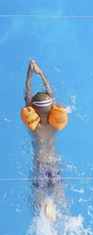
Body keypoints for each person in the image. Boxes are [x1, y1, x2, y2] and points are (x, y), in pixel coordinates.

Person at [23, 60, 66, 220]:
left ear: (34, 110)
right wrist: (41, 73)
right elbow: (51, 94)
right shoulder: (54, 124)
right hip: (54, 164)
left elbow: (27, 97)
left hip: (39, 165)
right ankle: (55, 205)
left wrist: (29, 75)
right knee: (61, 197)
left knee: (36, 202)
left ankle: (45, 205)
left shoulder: (35, 127)